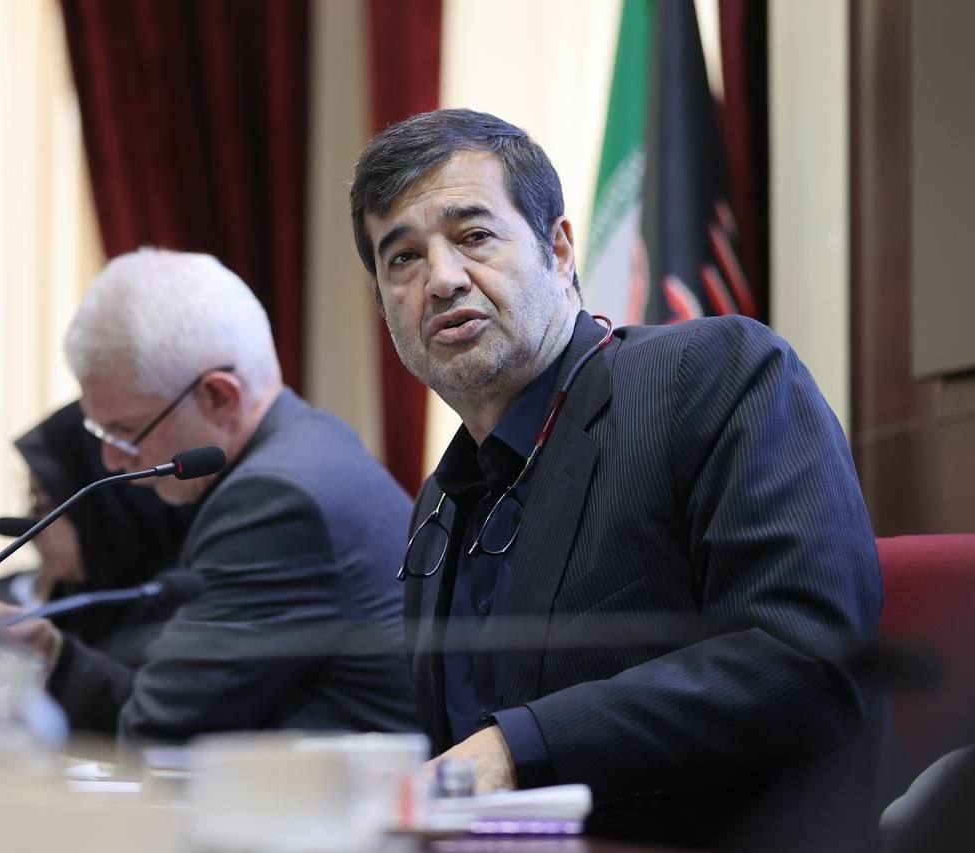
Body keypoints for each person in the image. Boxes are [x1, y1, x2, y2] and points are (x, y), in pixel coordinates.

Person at [350, 109, 893, 847]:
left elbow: (807, 658)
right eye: (403, 259)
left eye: (473, 236)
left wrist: (517, 748)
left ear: (559, 249)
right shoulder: (439, 504)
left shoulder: (715, 377)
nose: (441, 280)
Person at [0, 248, 418, 740]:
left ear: (218, 396)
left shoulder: (272, 501)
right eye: (100, 433)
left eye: (125, 432)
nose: (112, 461)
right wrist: (57, 658)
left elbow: (159, 730)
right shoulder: (312, 446)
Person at [0, 399, 194, 660]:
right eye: (31, 501)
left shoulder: (174, 621)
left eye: (44, 504)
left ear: (108, 511)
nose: (32, 526)